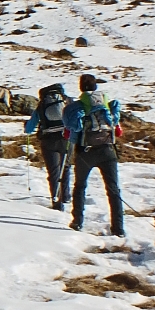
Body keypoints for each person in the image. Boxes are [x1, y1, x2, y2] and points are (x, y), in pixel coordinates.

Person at [62, 74, 125, 236]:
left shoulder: (75, 107)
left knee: (80, 186)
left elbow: (69, 132)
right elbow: (117, 129)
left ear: (81, 87)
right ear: (96, 86)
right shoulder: (107, 103)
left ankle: (77, 222)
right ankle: (118, 229)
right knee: (113, 190)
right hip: (107, 150)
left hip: (85, 151)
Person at [24, 83, 72, 210]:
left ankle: (57, 202)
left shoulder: (42, 105)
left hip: (49, 141)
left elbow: (29, 128)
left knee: (54, 171)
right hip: (66, 138)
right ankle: (66, 196)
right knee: (65, 167)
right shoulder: (67, 101)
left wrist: (27, 127)